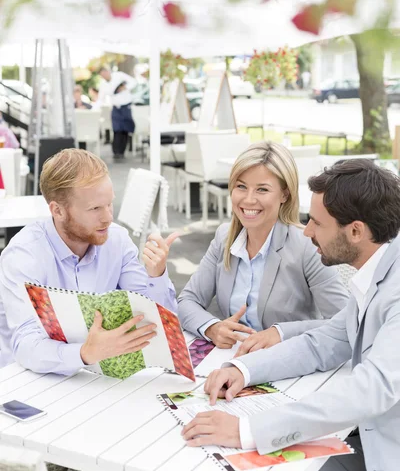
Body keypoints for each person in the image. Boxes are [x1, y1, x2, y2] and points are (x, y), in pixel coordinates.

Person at [182, 159, 400, 471]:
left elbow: (370, 390)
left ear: (355, 231)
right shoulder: (379, 271)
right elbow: (323, 341)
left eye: (316, 223)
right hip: (371, 445)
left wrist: (247, 429)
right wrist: (243, 368)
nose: (308, 231)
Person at [0, 148, 178, 375]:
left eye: (109, 204)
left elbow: (159, 323)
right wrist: (84, 353)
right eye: (94, 208)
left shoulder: (117, 240)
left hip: (99, 373)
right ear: (58, 211)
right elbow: (25, 347)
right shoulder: (24, 257)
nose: (108, 217)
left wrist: (157, 275)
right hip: (30, 379)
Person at [178, 141, 348, 353]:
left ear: (284, 194)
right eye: (241, 187)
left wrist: (280, 332)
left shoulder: (307, 247)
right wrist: (212, 327)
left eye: (262, 189)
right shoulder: (224, 237)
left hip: (288, 362)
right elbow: (187, 301)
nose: (249, 200)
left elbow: (345, 322)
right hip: (231, 360)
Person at [111, 81, 135, 160]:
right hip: (118, 116)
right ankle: (117, 152)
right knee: (117, 134)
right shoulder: (116, 96)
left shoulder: (127, 94)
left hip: (126, 116)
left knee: (125, 134)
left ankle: (122, 152)